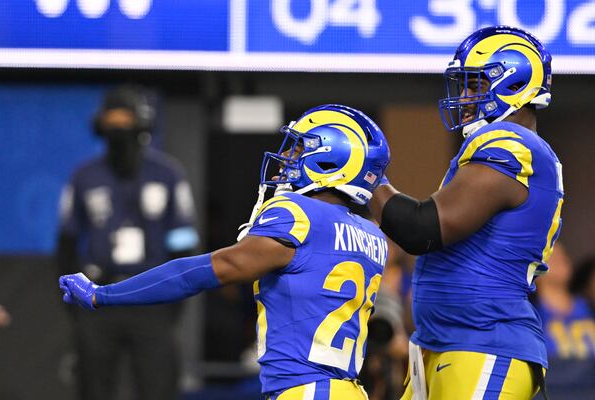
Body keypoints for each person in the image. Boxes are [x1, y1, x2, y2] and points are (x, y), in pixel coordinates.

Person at [60, 104, 391, 399]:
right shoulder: (371, 234)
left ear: (331, 159)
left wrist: (103, 294)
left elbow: (211, 269)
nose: (288, 157)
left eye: (300, 148)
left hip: (305, 391)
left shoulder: (298, 213)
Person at [369, 26, 563, 399]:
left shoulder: (510, 142)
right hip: (445, 345)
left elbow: (421, 229)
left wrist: (365, 173)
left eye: (474, 84)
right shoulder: (495, 147)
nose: (464, 96)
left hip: (484, 343)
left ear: (514, 83)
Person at [56, 85, 199, 400]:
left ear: (141, 124)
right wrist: (78, 306)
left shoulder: (167, 174)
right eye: (112, 121)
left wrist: (172, 299)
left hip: (151, 296)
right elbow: (66, 242)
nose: (119, 129)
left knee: (157, 386)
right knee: (93, 388)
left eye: (125, 120)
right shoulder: (84, 176)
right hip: (98, 297)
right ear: (101, 125)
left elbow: (184, 242)